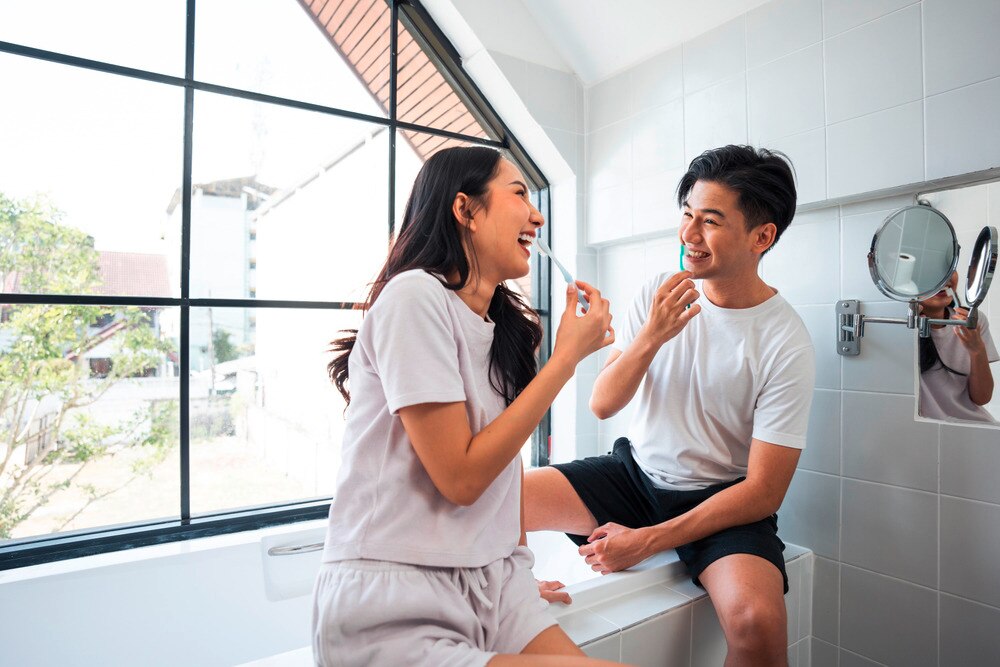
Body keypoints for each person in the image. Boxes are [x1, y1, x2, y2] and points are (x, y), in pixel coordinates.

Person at [312, 146, 624, 667]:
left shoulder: (505, 333)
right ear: (465, 210)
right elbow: (460, 478)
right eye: (520, 194)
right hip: (394, 602)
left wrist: (512, 572)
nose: (538, 215)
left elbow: (505, 468)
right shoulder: (413, 298)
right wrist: (566, 359)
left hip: (490, 586)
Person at [525, 145, 816, 667]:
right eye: (687, 215)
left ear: (762, 237)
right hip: (634, 477)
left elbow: (764, 490)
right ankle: (499, 596)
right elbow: (602, 404)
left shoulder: (784, 340)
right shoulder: (659, 293)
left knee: (759, 625)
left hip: (722, 505)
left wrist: (646, 542)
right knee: (501, 498)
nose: (688, 234)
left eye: (710, 221)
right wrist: (651, 337)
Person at [918, 271, 998, 423]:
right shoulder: (899, 325)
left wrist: (977, 350)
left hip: (974, 428)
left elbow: (982, 398)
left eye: (950, 266)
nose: (944, 276)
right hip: (926, 433)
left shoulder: (973, 320)